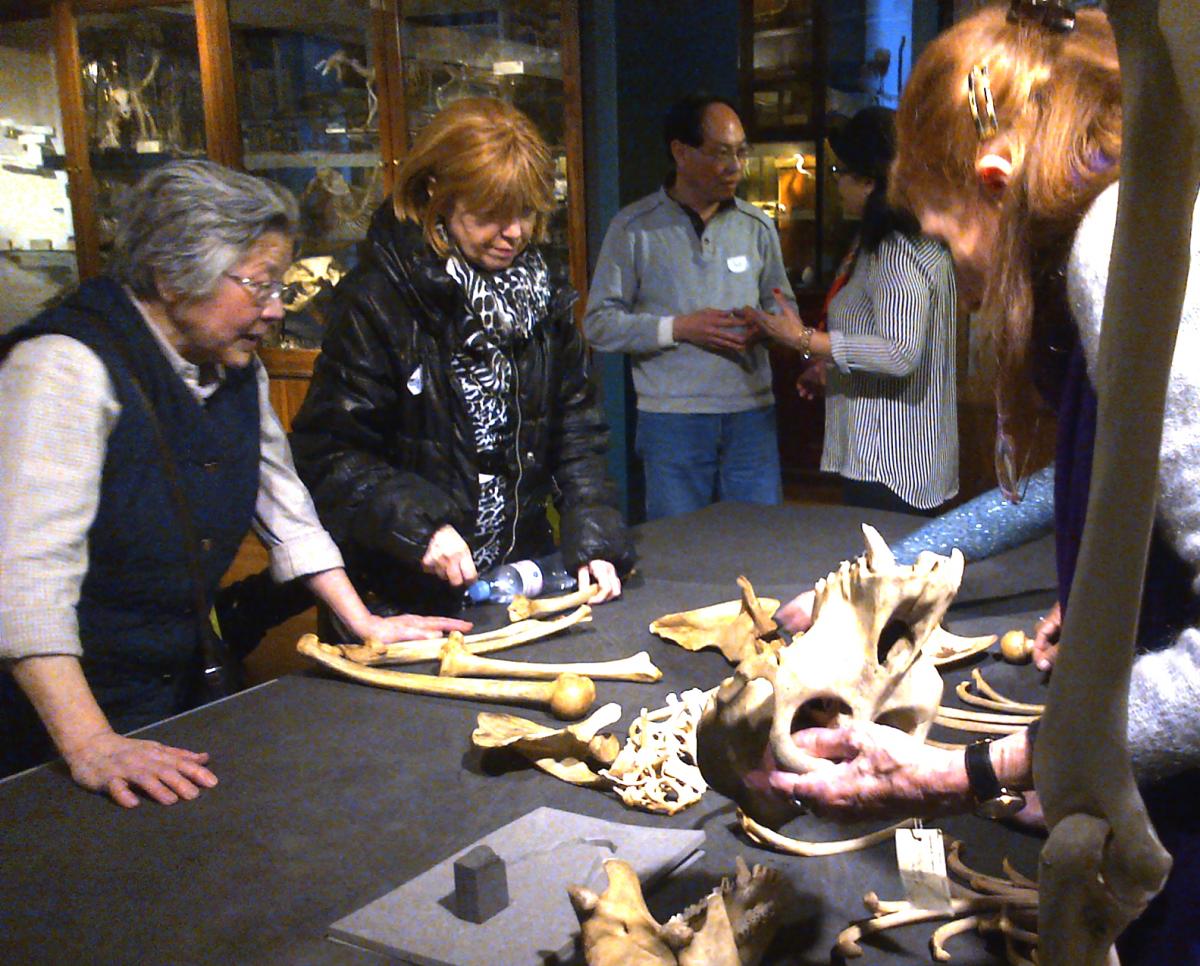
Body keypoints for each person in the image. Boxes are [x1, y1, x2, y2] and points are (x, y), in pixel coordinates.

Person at [758, 6, 1200, 960]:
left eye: (945, 235)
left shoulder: (1126, 248)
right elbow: (1094, 486)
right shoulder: (1125, 246)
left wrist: (980, 766)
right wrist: (1104, 615)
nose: (960, 282)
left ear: (995, 183)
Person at [0, 160, 470, 806]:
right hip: (57, 712)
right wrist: (88, 742)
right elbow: (23, 578)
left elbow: (286, 509)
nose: (277, 310)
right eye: (259, 286)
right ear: (170, 275)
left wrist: (361, 621)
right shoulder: (62, 367)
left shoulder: (232, 367)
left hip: (173, 678)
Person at [289, 98, 633, 619]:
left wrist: (594, 542)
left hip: (513, 582)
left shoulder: (541, 293)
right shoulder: (378, 299)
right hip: (399, 590)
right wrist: (420, 525)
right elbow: (329, 452)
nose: (514, 232)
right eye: (492, 213)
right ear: (436, 197)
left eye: (525, 212)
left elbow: (576, 432)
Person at [582, 93, 794, 521]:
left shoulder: (758, 225)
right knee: (679, 549)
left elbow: (784, 306)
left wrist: (767, 327)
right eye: (720, 153)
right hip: (672, 421)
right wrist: (678, 328)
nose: (735, 166)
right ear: (681, 152)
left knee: (761, 542)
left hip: (751, 416)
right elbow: (598, 325)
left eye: (740, 152)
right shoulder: (634, 228)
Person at [746, 106, 959, 515]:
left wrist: (803, 339)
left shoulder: (896, 247)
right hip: (905, 458)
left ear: (868, 179)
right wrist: (832, 367)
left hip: (893, 464)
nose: (838, 184)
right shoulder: (906, 238)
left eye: (841, 172)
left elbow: (898, 352)